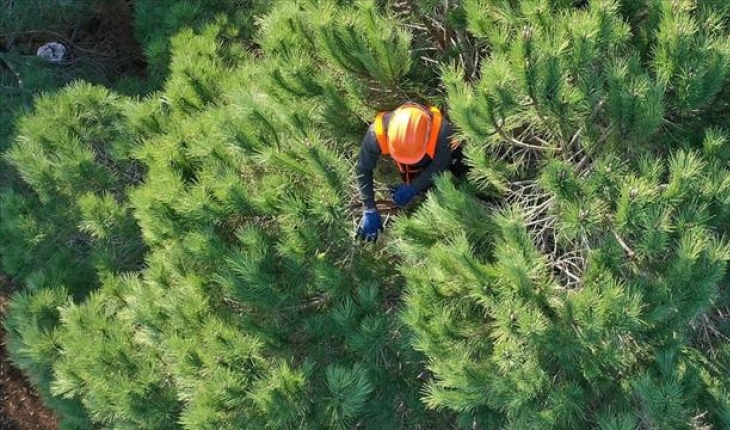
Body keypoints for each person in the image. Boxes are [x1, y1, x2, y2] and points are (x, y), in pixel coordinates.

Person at [356, 102, 466, 242]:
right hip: (408, 162)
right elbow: (363, 168)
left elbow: (440, 165)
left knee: (462, 166)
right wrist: (369, 208)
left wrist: (413, 187)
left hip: (437, 157)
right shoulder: (376, 133)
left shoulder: (441, 131)